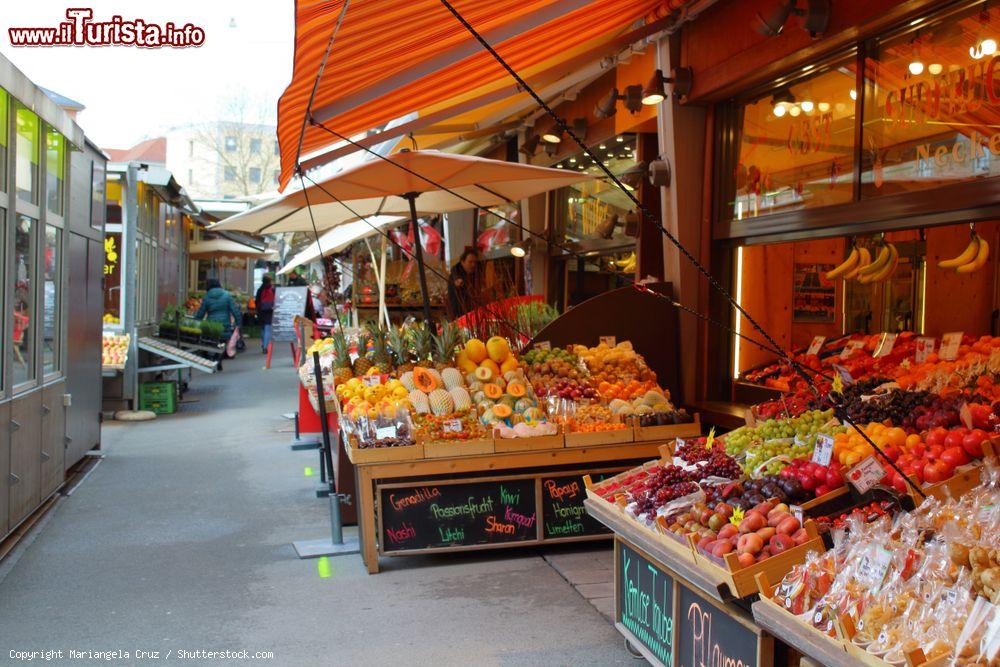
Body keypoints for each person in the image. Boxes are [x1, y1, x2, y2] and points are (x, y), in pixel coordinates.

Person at [196, 279, 242, 365]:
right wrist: (239, 324)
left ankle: (215, 356)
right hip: (225, 325)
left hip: (212, 326)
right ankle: (219, 357)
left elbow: (201, 313)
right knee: (223, 340)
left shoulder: (206, 297)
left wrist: (195, 322)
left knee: (213, 341)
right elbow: (235, 311)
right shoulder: (227, 295)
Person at [447, 248, 478, 318]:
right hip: (458, 315)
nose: (473, 265)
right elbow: (457, 279)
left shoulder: (472, 273)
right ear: (462, 262)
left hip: (469, 312)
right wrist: (458, 281)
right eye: (470, 262)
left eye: (475, 262)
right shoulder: (456, 273)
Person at [255, 274, 275, 354]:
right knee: (268, 328)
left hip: (261, 311)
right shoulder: (272, 289)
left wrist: (258, 309)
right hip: (270, 311)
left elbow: (256, 301)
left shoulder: (260, 289)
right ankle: (265, 347)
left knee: (263, 328)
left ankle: (263, 344)